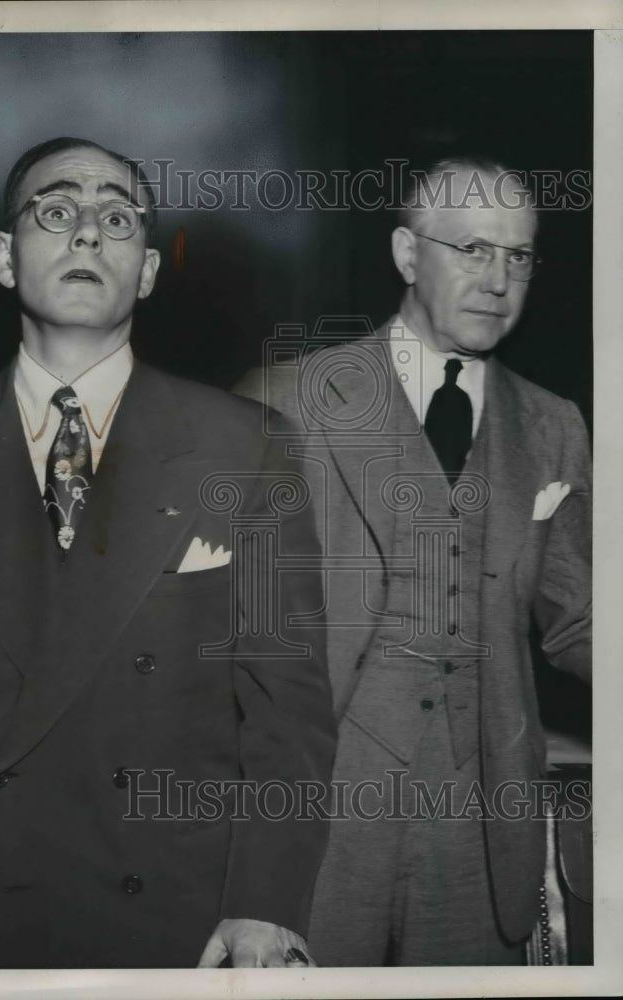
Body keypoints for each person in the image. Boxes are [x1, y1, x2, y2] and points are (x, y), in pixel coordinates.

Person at [0, 137, 336, 969]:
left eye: (117, 217)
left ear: (148, 270)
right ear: (8, 258)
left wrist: (264, 906)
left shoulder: (247, 448)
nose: (88, 231)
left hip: (171, 918)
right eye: (57, 209)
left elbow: (288, 711)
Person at [236, 156, 591, 965]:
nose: (498, 278)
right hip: (318, 823)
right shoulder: (287, 400)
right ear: (406, 256)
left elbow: (584, 618)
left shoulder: (553, 425)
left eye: (519, 255)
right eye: (471, 248)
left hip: (482, 829)